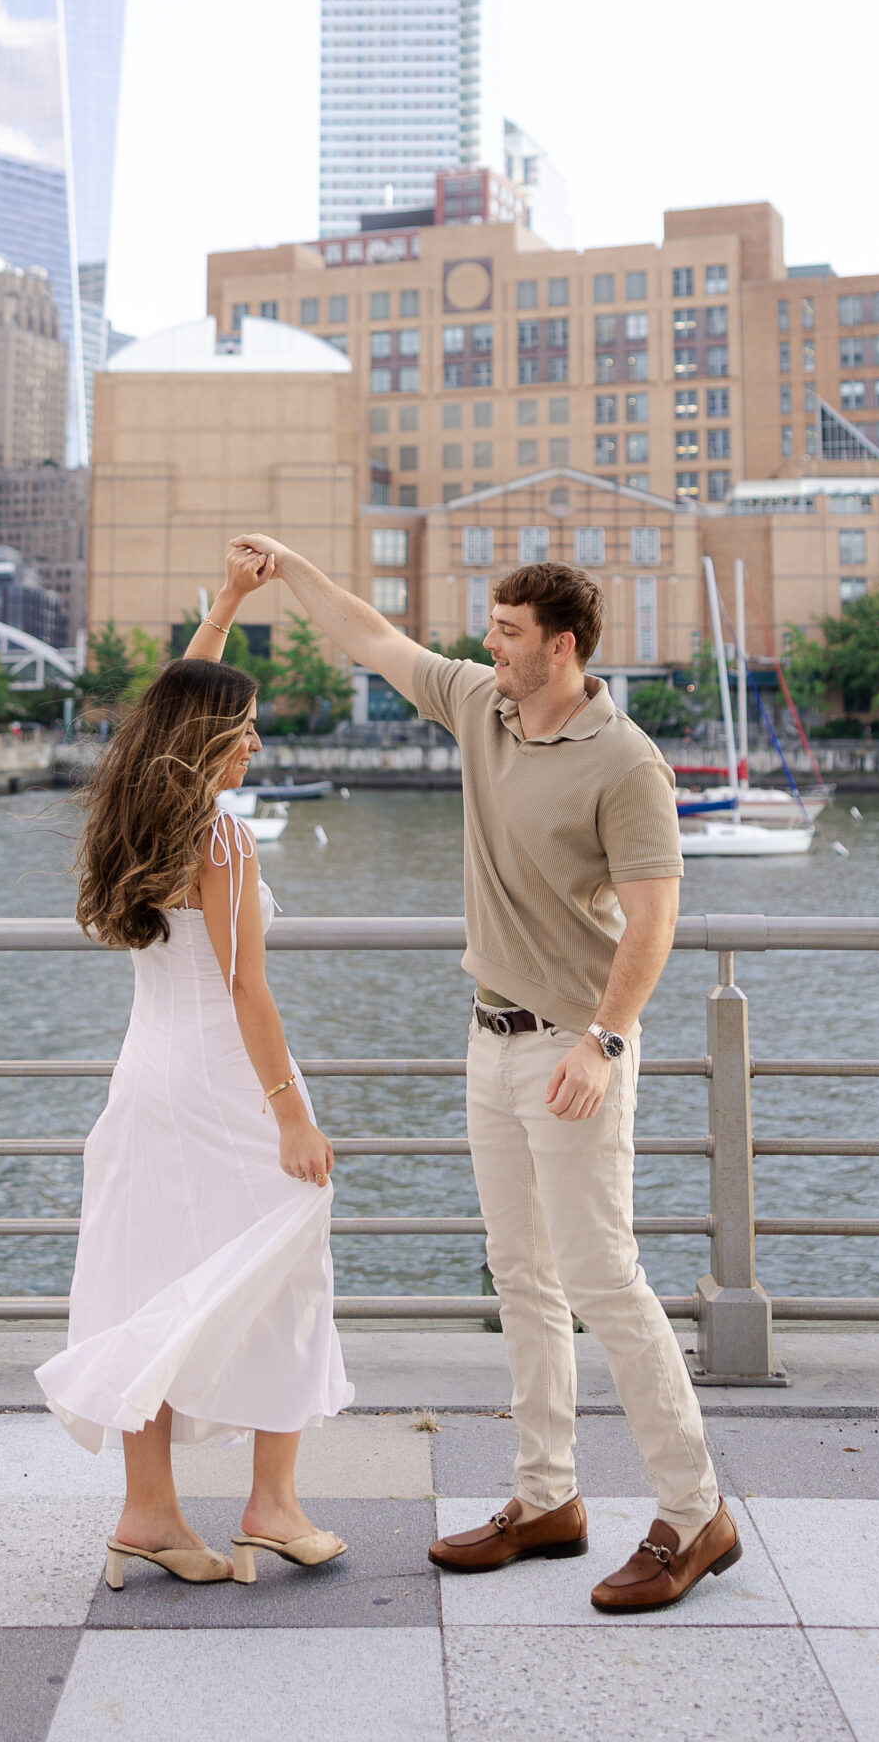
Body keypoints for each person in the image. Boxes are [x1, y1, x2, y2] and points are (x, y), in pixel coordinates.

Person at [231, 535, 737, 1615]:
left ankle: (695, 1512)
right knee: (520, 1274)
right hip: (489, 1037)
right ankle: (546, 1497)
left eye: (507, 633)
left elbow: (655, 921)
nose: (488, 645)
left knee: (603, 1279)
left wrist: (603, 1043)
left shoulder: (627, 762)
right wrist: (289, 565)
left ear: (562, 648)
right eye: (490, 630)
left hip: (573, 1049)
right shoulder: (480, 705)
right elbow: (372, 639)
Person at [35, 551, 352, 1592]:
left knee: (152, 1283)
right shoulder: (222, 840)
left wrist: (227, 604)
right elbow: (246, 989)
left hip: (146, 1083)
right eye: (245, 728)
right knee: (288, 1270)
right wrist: (292, 1116)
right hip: (228, 1086)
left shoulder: (133, 812)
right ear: (209, 739)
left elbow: (171, 701)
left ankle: (149, 1513)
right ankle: (272, 1504)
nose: (257, 743)